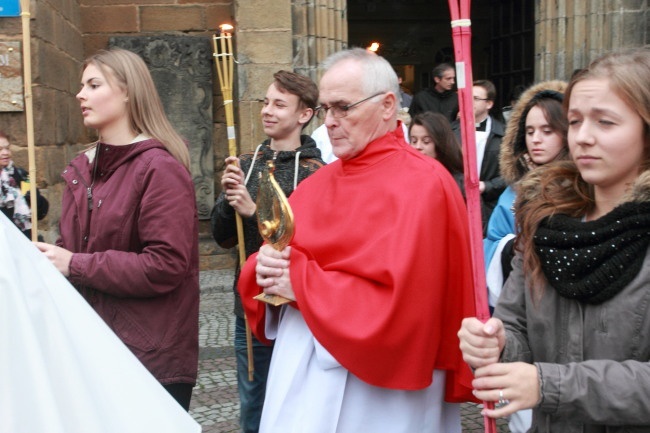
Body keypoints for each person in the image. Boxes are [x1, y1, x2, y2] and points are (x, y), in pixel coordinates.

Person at [238, 48, 476, 433]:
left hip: (381, 394)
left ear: (387, 106)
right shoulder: (317, 184)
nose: (330, 122)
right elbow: (276, 264)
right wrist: (263, 268)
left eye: (343, 108)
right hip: (302, 374)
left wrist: (300, 282)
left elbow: (412, 307)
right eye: (326, 109)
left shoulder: (426, 185)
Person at [458, 49, 650, 432]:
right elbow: (515, 325)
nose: (583, 138)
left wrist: (551, 385)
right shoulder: (546, 222)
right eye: (575, 121)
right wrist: (496, 344)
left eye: (606, 122)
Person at [35, 48, 199, 411]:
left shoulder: (159, 167)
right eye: (82, 86)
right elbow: (70, 250)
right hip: (90, 348)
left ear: (128, 91)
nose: (80, 94)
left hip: (146, 358)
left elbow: (166, 264)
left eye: (94, 85)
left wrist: (75, 263)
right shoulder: (82, 168)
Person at [211, 70, 324, 433]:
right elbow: (222, 237)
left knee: (300, 401)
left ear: (304, 114)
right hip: (250, 307)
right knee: (254, 401)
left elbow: (309, 244)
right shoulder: (246, 163)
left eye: (279, 104)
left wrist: (252, 211)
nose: (267, 111)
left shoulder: (316, 172)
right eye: (265, 102)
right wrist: (229, 203)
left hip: (298, 308)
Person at [481, 80, 568, 433]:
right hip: (528, 316)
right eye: (530, 130)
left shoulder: (594, 186)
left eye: (548, 130)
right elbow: (493, 244)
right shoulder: (515, 193)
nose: (536, 139)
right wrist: (512, 248)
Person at [453, 79, 506, 232]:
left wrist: (487, 186)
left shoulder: (503, 134)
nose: (469, 102)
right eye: (466, 97)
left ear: (489, 104)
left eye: (475, 98)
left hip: (490, 207)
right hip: (458, 204)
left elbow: (511, 174)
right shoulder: (450, 131)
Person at [0, 131, 49, 239]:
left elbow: (39, 213)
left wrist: (35, 200)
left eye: (7, 148)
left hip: (21, 240)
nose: (5, 153)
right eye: (0, 149)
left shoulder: (20, 175)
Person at [409, 111, 464, 195]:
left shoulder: (458, 183)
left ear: (441, 143)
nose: (418, 146)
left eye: (426, 141)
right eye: (414, 141)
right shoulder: (405, 177)